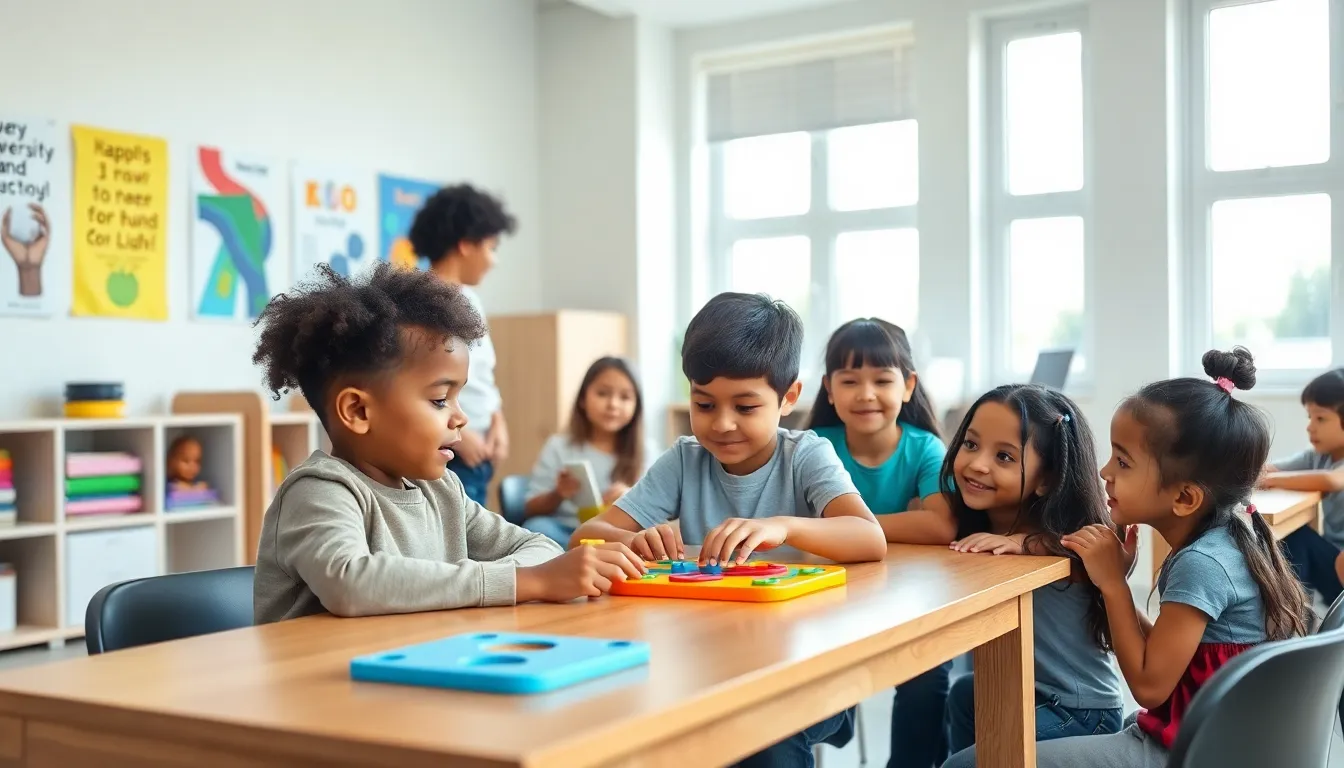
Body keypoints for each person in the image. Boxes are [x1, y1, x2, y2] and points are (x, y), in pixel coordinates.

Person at [571, 292, 885, 768]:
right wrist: (632, 540)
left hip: (809, 667)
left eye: (745, 406)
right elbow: (585, 537)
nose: (721, 424)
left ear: (788, 398)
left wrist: (783, 526)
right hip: (710, 664)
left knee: (765, 737)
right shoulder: (684, 459)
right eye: (704, 403)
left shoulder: (805, 454)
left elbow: (870, 538)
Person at [248, 263, 645, 625]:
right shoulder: (319, 491)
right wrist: (526, 582)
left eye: (459, 398)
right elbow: (351, 581)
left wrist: (536, 576)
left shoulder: (441, 491)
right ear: (358, 411)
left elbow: (538, 545)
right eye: (440, 400)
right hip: (316, 692)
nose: (460, 417)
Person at [1027, 348, 1311, 767]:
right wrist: (1113, 586)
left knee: (976, 760)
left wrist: (1113, 585)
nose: (1105, 472)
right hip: (1222, 738)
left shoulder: (1204, 563)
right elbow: (1164, 653)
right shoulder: (1225, 540)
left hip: (1193, 751)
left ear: (1184, 497)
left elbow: (1148, 686)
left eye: (1123, 461)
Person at [934, 385, 1125, 768]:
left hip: (1082, 710)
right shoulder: (976, 527)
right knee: (964, 693)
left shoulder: (1067, 540)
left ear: (1047, 479)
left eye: (1003, 456)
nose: (977, 464)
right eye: (970, 445)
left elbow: (1083, 548)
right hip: (1028, 691)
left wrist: (1026, 543)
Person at [806, 318, 952, 768]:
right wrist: (908, 519)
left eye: (881, 380)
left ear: (908, 385)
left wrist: (849, 528)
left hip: (908, 595)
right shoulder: (813, 445)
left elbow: (942, 527)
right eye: (850, 381)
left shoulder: (924, 447)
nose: (865, 394)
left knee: (928, 676)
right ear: (829, 389)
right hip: (827, 595)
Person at [409, 184, 517, 506]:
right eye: (491, 247)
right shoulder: (422, 301)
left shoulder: (470, 299)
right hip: (451, 449)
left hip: (479, 449)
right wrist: (457, 438)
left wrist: (497, 421)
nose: (494, 260)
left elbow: (481, 375)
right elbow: (421, 386)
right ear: (466, 244)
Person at [524, 357, 645, 544]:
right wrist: (558, 493)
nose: (613, 404)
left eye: (625, 397)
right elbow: (530, 507)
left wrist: (631, 497)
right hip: (564, 531)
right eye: (603, 393)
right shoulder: (559, 446)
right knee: (537, 526)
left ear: (636, 406)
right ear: (582, 399)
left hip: (613, 534)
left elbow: (658, 515)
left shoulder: (645, 452)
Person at [1261, 368, 1344, 603]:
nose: (1310, 427)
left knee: (1297, 538)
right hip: (1334, 561)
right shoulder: (1319, 457)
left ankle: (1293, 616)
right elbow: (1268, 469)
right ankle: (1294, 611)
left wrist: (1271, 480)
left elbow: (1332, 480)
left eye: (1321, 418)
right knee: (1291, 536)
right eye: (1309, 418)